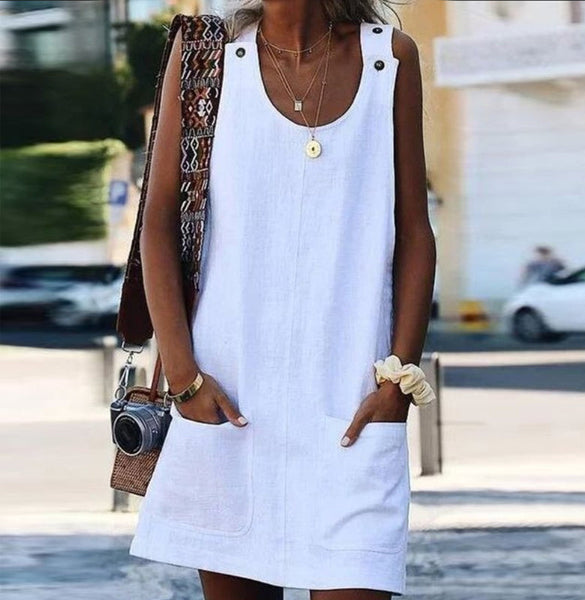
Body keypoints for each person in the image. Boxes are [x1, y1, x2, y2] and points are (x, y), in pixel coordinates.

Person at [129, 2, 437, 599]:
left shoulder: (389, 58)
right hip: (228, 401)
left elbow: (414, 232)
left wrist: (399, 379)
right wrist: (185, 379)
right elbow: (158, 223)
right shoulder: (205, 58)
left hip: (353, 406)